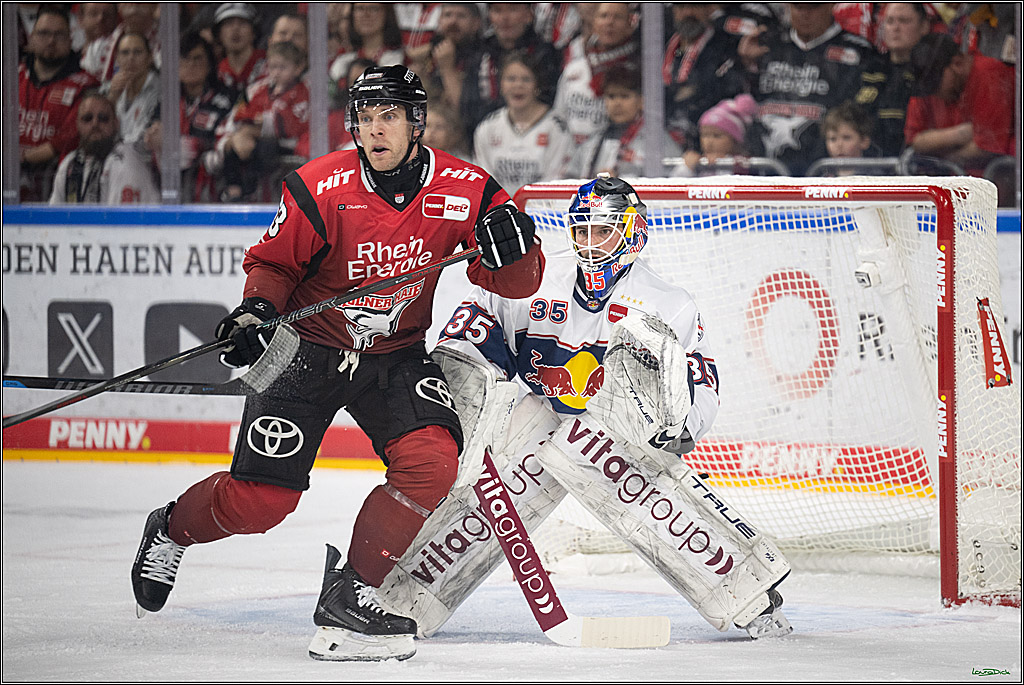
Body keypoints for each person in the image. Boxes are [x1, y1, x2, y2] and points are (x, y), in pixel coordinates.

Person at [129, 65, 545, 663]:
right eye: (365, 119)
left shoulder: (467, 187)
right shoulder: (318, 185)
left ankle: (350, 594)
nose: (374, 132)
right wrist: (254, 314)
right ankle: (170, 530)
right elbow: (272, 265)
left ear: (416, 122)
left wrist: (518, 248)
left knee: (431, 462)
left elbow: (517, 283)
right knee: (260, 502)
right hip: (304, 350)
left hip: (394, 354)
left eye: (388, 118)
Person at [378, 176, 792, 642]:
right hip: (540, 413)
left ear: (633, 231)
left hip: (621, 433)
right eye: (583, 231)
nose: (590, 244)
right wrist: (467, 412)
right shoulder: (535, 282)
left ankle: (749, 590)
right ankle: (403, 598)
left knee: (613, 473)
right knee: (484, 495)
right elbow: (470, 343)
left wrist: (672, 427)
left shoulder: (666, 304)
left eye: (604, 231)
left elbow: (700, 389)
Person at [735, 2, 885, 175]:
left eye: (813, 7)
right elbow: (740, 100)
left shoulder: (858, 52)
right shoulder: (766, 45)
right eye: (798, 7)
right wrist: (746, 65)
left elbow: (863, 117)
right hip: (764, 168)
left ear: (831, 6)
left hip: (824, 172)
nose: (805, 14)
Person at [18, 6, 100, 201]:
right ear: (31, 38)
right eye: (44, 33)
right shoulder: (11, 78)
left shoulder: (86, 85)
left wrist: (19, 159)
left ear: (71, 40)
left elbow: (67, 139)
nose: (51, 41)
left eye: (59, 35)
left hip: (57, 186)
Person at [904, 32, 1016, 176]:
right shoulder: (937, 89)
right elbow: (915, 141)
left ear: (957, 63)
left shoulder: (988, 74)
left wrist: (939, 159)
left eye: (935, 83)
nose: (933, 92)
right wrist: (961, 134)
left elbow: (986, 147)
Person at [662, 3, 769, 152]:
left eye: (695, 6)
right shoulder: (661, 43)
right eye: (680, 7)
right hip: (665, 139)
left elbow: (716, 92)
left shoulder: (726, 44)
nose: (688, 13)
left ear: (709, 8)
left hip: (710, 143)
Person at [219, 41, 310, 202]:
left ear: (298, 68)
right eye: (273, 67)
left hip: (286, 144)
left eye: (282, 67)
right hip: (254, 138)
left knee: (264, 147)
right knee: (231, 145)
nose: (276, 72)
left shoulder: (302, 92)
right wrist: (252, 121)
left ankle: (250, 188)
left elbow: (295, 125)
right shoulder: (259, 89)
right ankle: (234, 187)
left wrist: (267, 121)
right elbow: (242, 113)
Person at [472, 51, 571, 196]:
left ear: (537, 84)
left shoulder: (557, 129)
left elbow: (556, 180)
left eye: (526, 79)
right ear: (501, 84)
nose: (518, 85)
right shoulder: (487, 127)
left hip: (543, 213)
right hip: (499, 212)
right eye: (511, 79)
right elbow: (483, 178)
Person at [459, 3, 561, 142]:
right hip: (484, 138)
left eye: (513, 10)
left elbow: (548, 101)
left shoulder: (544, 53)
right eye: (497, 10)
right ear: (489, 16)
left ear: (529, 15)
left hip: (535, 138)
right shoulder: (479, 52)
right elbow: (468, 105)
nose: (504, 18)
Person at [565, 65, 680, 178]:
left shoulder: (656, 141)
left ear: (641, 101)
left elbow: (670, 179)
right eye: (611, 96)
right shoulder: (592, 141)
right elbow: (570, 179)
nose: (617, 103)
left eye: (624, 96)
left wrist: (620, 185)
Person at [49, 90, 158, 204]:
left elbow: (119, 220)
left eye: (103, 118)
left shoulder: (124, 161)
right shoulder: (69, 164)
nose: (95, 124)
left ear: (116, 124)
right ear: (77, 124)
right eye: (87, 118)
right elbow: (54, 216)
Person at [552, 2, 640, 145]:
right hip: (573, 156)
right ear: (594, 22)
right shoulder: (574, 68)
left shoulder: (638, 70)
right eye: (603, 16)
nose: (609, 22)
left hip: (617, 152)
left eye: (617, 17)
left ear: (629, 25)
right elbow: (559, 116)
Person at [855, 2, 933, 157]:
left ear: (924, 26)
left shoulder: (932, 72)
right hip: (868, 163)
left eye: (904, 21)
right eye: (890, 21)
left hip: (914, 163)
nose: (895, 28)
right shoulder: (869, 68)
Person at [674, 94, 758, 176]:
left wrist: (722, 164)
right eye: (705, 135)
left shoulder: (743, 164)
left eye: (717, 136)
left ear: (735, 140)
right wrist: (687, 167)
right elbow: (674, 185)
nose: (709, 141)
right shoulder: (699, 161)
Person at [102, 31, 160, 147]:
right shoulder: (108, 88)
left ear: (149, 57)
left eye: (137, 52)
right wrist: (112, 98)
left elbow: (146, 138)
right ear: (117, 58)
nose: (131, 58)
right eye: (125, 53)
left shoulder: (161, 91)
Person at [212, 2, 265, 106]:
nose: (235, 29)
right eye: (229, 23)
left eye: (243, 23)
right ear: (219, 35)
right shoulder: (215, 74)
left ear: (254, 32)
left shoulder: (271, 65)